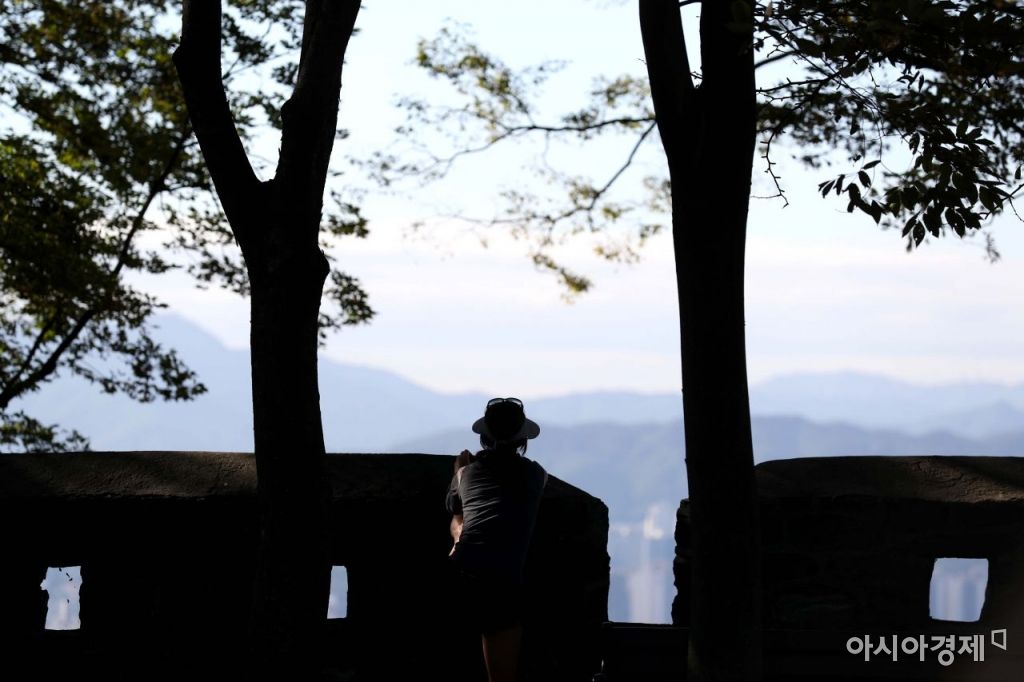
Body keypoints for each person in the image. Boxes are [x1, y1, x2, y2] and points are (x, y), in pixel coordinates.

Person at [446, 397, 548, 682]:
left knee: (458, 519)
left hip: (460, 571)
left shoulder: (465, 473)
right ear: (522, 439)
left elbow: (453, 506)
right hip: (503, 579)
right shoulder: (536, 474)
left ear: (484, 437)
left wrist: (459, 470)